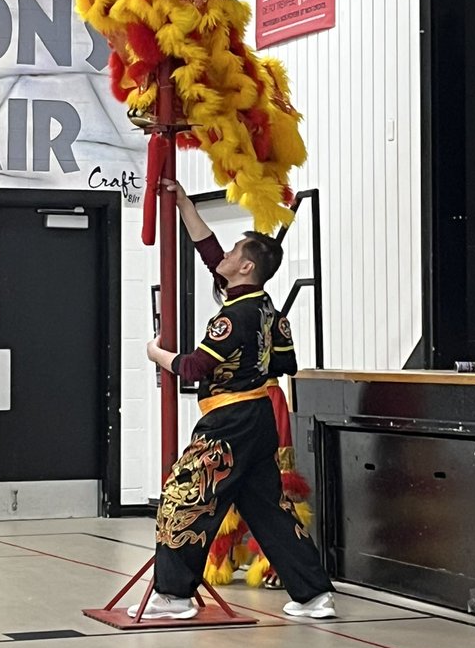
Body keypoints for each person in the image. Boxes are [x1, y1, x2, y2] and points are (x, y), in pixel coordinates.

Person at [128, 179, 335, 621]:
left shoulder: (234, 316)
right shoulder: (269, 310)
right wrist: (185, 204)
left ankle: (174, 595)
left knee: (183, 498)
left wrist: (156, 354)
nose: (224, 255)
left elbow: (192, 368)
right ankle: (313, 593)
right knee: (269, 508)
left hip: (228, 422)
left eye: (234, 251)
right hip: (259, 417)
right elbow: (286, 363)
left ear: (246, 267)